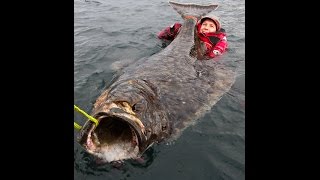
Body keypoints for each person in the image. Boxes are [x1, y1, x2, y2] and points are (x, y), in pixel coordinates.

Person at [157, 15, 228, 59]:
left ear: (216, 30)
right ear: (200, 25)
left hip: (200, 57)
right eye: (204, 24)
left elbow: (218, 51)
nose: (206, 27)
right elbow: (161, 36)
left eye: (211, 26)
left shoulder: (219, 39)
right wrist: (173, 29)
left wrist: (208, 57)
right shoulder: (193, 32)